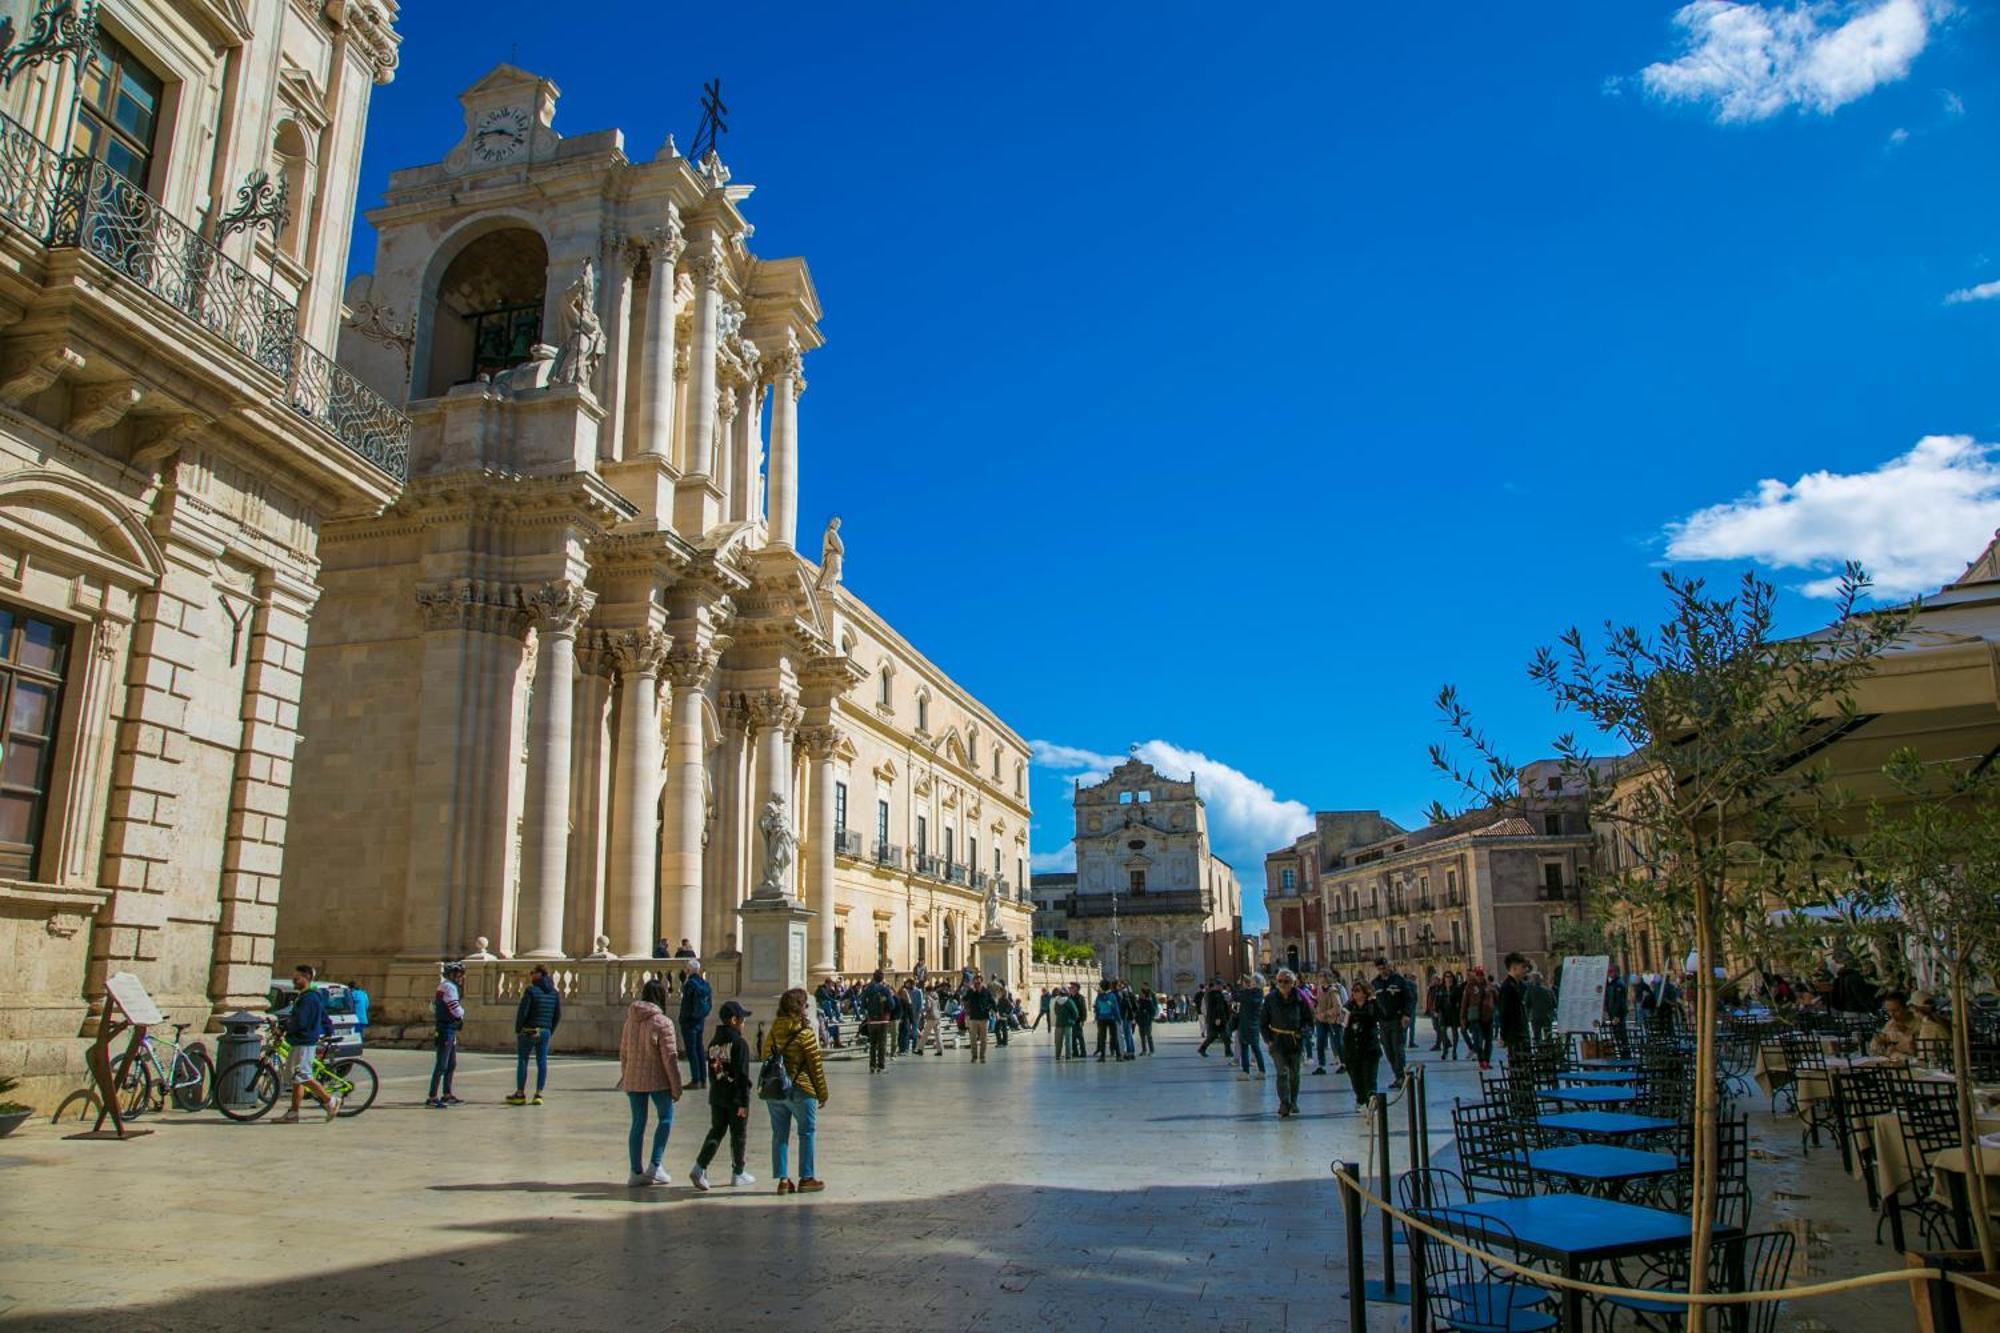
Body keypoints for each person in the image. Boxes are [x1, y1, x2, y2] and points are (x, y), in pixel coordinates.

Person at [763, 987, 830, 1194]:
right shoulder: (805, 1033)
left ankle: (783, 1180)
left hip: (776, 1089)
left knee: (779, 1135)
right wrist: (822, 1093)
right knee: (806, 1132)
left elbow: (766, 1054)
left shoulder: (774, 1030)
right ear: (800, 1008)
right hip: (802, 1089)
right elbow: (815, 1066)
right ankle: (807, 1177)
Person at [617, 976, 682, 1186]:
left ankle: (635, 1171)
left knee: (638, 1123)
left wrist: (625, 1075)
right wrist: (676, 1085)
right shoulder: (663, 1022)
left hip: (634, 1078)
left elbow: (624, 1052)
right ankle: (655, 1165)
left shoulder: (630, 1020)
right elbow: (670, 1058)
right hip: (658, 1080)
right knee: (665, 1118)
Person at [690, 999, 755, 1191]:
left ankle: (700, 1166)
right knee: (738, 1134)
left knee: (716, 1131)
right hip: (736, 1098)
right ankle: (738, 1172)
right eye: (742, 1019)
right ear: (734, 1020)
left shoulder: (713, 1043)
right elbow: (742, 1075)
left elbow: (714, 1071)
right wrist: (743, 1101)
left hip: (717, 1095)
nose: (744, 1023)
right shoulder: (739, 1043)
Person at [277, 963, 339, 1123]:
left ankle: (329, 1101)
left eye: (296, 978)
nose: (293, 981)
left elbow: (301, 1021)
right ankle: (293, 1113)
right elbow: (322, 1015)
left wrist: (285, 1028)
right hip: (300, 1040)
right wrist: (328, 1028)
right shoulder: (307, 996)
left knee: (303, 1076)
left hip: (304, 1040)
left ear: (306, 978)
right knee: (297, 1077)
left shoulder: (309, 997)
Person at [1262, 969, 1314, 1117]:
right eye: (1280, 981)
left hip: (1295, 1040)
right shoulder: (1270, 999)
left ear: (1293, 983)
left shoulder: (1301, 998)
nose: (1283, 984)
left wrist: (1303, 1033)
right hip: (1277, 1041)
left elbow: (1309, 1021)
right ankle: (1284, 1102)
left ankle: (1294, 1101)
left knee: (1295, 1073)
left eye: (1286, 981)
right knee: (1282, 1072)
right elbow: (1263, 1022)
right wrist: (1268, 1040)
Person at [507, 964, 562, 1106]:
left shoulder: (531, 991)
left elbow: (523, 1012)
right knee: (542, 1062)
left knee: (523, 1061)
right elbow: (557, 1015)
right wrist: (550, 1030)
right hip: (545, 1031)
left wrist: (518, 1029)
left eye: (533, 973)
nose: (531, 975)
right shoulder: (554, 993)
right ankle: (539, 1094)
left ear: (539, 974)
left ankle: (520, 1093)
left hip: (528, 1030)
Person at [426, 962, 465, 1109]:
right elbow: (454, 1006)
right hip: (446, 1027)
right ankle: (432, 1096)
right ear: (453, 975)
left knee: (451, 1063)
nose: (461, 978)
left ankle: (447, 1094)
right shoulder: (449, 987)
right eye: (459, 975)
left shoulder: (443, 986)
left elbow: (433, 1006)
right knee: (442, 1064)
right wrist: (462, 1014)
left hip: (448, 1027)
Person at [1343, 980, 1383, 1111]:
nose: (1354, 993)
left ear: (1365, 993)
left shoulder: (1372, 1005)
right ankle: (1360, 1098)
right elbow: (1343, 1022)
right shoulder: (1349, 1006)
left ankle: (1371, 1100)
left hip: (1370, 1047)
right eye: (1353, 990)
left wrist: (1374, 1001)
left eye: (1358, 990)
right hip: (1353, 1048)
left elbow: (1378, 1015)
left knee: (1370, 1077)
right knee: (1355, 1077)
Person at [1372, 959, 1412, 1082]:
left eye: (1384, 968)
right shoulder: (1375, 983)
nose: (1382, 971)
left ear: (1389, 966)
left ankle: (1401, 1077)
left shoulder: (1399, 981)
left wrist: (1406, 1014)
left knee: (1397, 1049)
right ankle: (1398, 1075)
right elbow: (1373, 1002)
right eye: (1379, 969)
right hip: (1383, 1022)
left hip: (1397, 1020)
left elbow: (1409, 998)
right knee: (1388, 1050)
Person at [678, 961, 713, 1089]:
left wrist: (683, 1019)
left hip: (689, 1021)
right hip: (700, 1020)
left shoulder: (690, 984)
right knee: (699, 1049)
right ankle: (703, 1079)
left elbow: (686, 1004)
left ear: (688, 970)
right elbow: (709, 1003)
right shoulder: (705, 984)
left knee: (691, 1050)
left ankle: (695, 1079)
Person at [1460, 966, 1497, 1069]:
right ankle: (1481, 1061)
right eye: (1478, 974)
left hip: (1488, 1018)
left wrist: (1493, 991)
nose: (1480, 976)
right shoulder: (1470, 987)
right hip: (1476, 1018)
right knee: (1479, 1041)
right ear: (1475, 975)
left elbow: (1497, 999)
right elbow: (1464, 1003)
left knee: (1489, 1042)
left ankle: (1487, 1061)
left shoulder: (1489, 986)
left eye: (1481, 974)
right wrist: (1462, 1018)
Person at [860, 970, 895, 1073]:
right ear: (882, 978)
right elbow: (892, 1005)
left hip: (871, 1020)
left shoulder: (867, 989)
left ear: (873, 977)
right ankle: (881, 1066)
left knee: (873, 1044)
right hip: (883, 1019)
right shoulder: (885, 989)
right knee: (882, 1044)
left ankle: (872, 1065)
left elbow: (863, 1004)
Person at [1497, 952, 1530, 1059]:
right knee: (1519, 1068)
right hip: (1514, 1036)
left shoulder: (1520, 985)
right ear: (1514, 967)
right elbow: (1504, 1012)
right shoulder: (1507, 987)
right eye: (1523, 967)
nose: (1525, 970)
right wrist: (1504, 1035)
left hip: (1522, 1033)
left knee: (1525, 1065)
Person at [1234, 974, 1267, 1079]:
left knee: (1244, 1048)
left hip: (1245, 1024)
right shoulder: (1260, 994)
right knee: (1256, 1048)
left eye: (1252, 981)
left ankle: (1245, 1072)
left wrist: (1240, 985)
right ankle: (1262, 1071)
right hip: (1255, 1024)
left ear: (1254, 983)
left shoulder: (1248, 994)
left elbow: (1236, 996)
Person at [1312, 973, 1345, 1076]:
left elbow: (1338, 1007)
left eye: (1322, 978)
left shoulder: (1333, 991)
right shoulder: (1319, 990)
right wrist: (1317, 1014)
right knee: (1320, 1043)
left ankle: (1343, 1064)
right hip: (1321, 1020)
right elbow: (1318, 1003)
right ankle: (1321, 1066)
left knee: (1337, 1042)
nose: (1320, 980)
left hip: (1333, 1021)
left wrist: (1326, 1014)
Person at [1871, 992, 1922, 1058]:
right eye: (1889, 1011)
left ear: (1906, 1008)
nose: (1891, 1014)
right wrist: (1878, 1041)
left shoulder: (1919, 1021)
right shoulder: (1890, 1024)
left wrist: (1906, 1032)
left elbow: (1922, 1048)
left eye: (1895, 1010)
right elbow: (1880, 1040)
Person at [962, 972, 996, 1064]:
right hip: (973, 1017)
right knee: (973, 1039)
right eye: (975, 983)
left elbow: (992, 1002)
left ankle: (982, 1056)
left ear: (982, 982)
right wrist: (970, 991)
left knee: (983, 1039)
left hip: (984, 1018)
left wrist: (993, 1011)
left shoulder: (986, 991)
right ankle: (974, 1056)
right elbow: (964, 999)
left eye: (979, 983)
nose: (977, 984)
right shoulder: (971, 991)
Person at [1198, 980, 1234, 1058]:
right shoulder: (1214, 995)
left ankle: (1228, 1052)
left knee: (1217, 1036)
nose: (1222, 987)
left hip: (1216, 1018)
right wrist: (1218, 1018)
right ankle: (1228, 1052)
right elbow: (1217, 1008)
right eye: (1221, 986)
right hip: (1217, 1019)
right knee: (1223, 1035)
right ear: (1216, 986)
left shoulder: (1215, 994)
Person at [1525, 969, 1556, 1049]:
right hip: (1547, 1016)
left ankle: (1539, 1053)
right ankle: (1549, 1051)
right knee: (1548, 1035)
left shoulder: (1530, 991)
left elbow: (1527, 1003)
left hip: (1535, 1016)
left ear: (1533, 980)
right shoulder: (1549, 990)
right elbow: (1554, 1004)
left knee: (1537, 1036)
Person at [1093, 981, 1122, 1061]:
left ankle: (1102, 1056)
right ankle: (1118, 1055)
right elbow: (1115, 1008)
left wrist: (1097, 1017)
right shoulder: (1112, 996)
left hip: (1102, 1019)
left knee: (1102, 1038)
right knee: (1114, 1037)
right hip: (1111, 1018)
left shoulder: (1099, 996)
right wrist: (1118, 1019)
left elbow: (1097, 1007)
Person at [1052, 984, 1080, 1060]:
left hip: (1059, 1023)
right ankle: (1068, 1055)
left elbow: (1056, 1011)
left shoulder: (1057, 1002)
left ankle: (1058, 1055)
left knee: (1058, 1041)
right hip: (1068, 1023)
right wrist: (1073, 1019)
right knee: (1068, 1040)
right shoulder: (1069, 1001)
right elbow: (1075, 1012)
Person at [1136, 986, 1157, 1055]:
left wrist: (1149, 1018)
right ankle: (1144, 1050)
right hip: (1140, 1022)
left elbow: (1153, 1012)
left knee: (1148, 1036)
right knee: (1142, 1037)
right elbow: (1137, 1011)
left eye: (1141, 993)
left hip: (1147, 1022)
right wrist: (1137, 1019)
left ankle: (1151, 1050)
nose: (1139, 994)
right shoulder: (1139, 1002)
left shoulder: (1149, 1002)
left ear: (1144, 994)